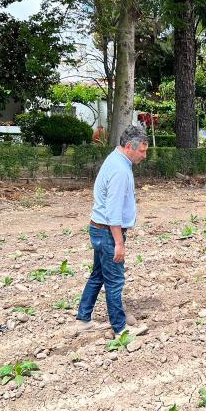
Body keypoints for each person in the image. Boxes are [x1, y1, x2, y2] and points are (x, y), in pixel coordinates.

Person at [75, 124, 149, 336]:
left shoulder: (115, 159)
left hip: (98, 228)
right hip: (108, 232)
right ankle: (120, 328)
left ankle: (84, 319)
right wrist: (119, 242)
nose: (144, 155)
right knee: (115, 280)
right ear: (129, 146)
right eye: (142, 151)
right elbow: (113, 212)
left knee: (98, 275)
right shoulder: (120, 170)